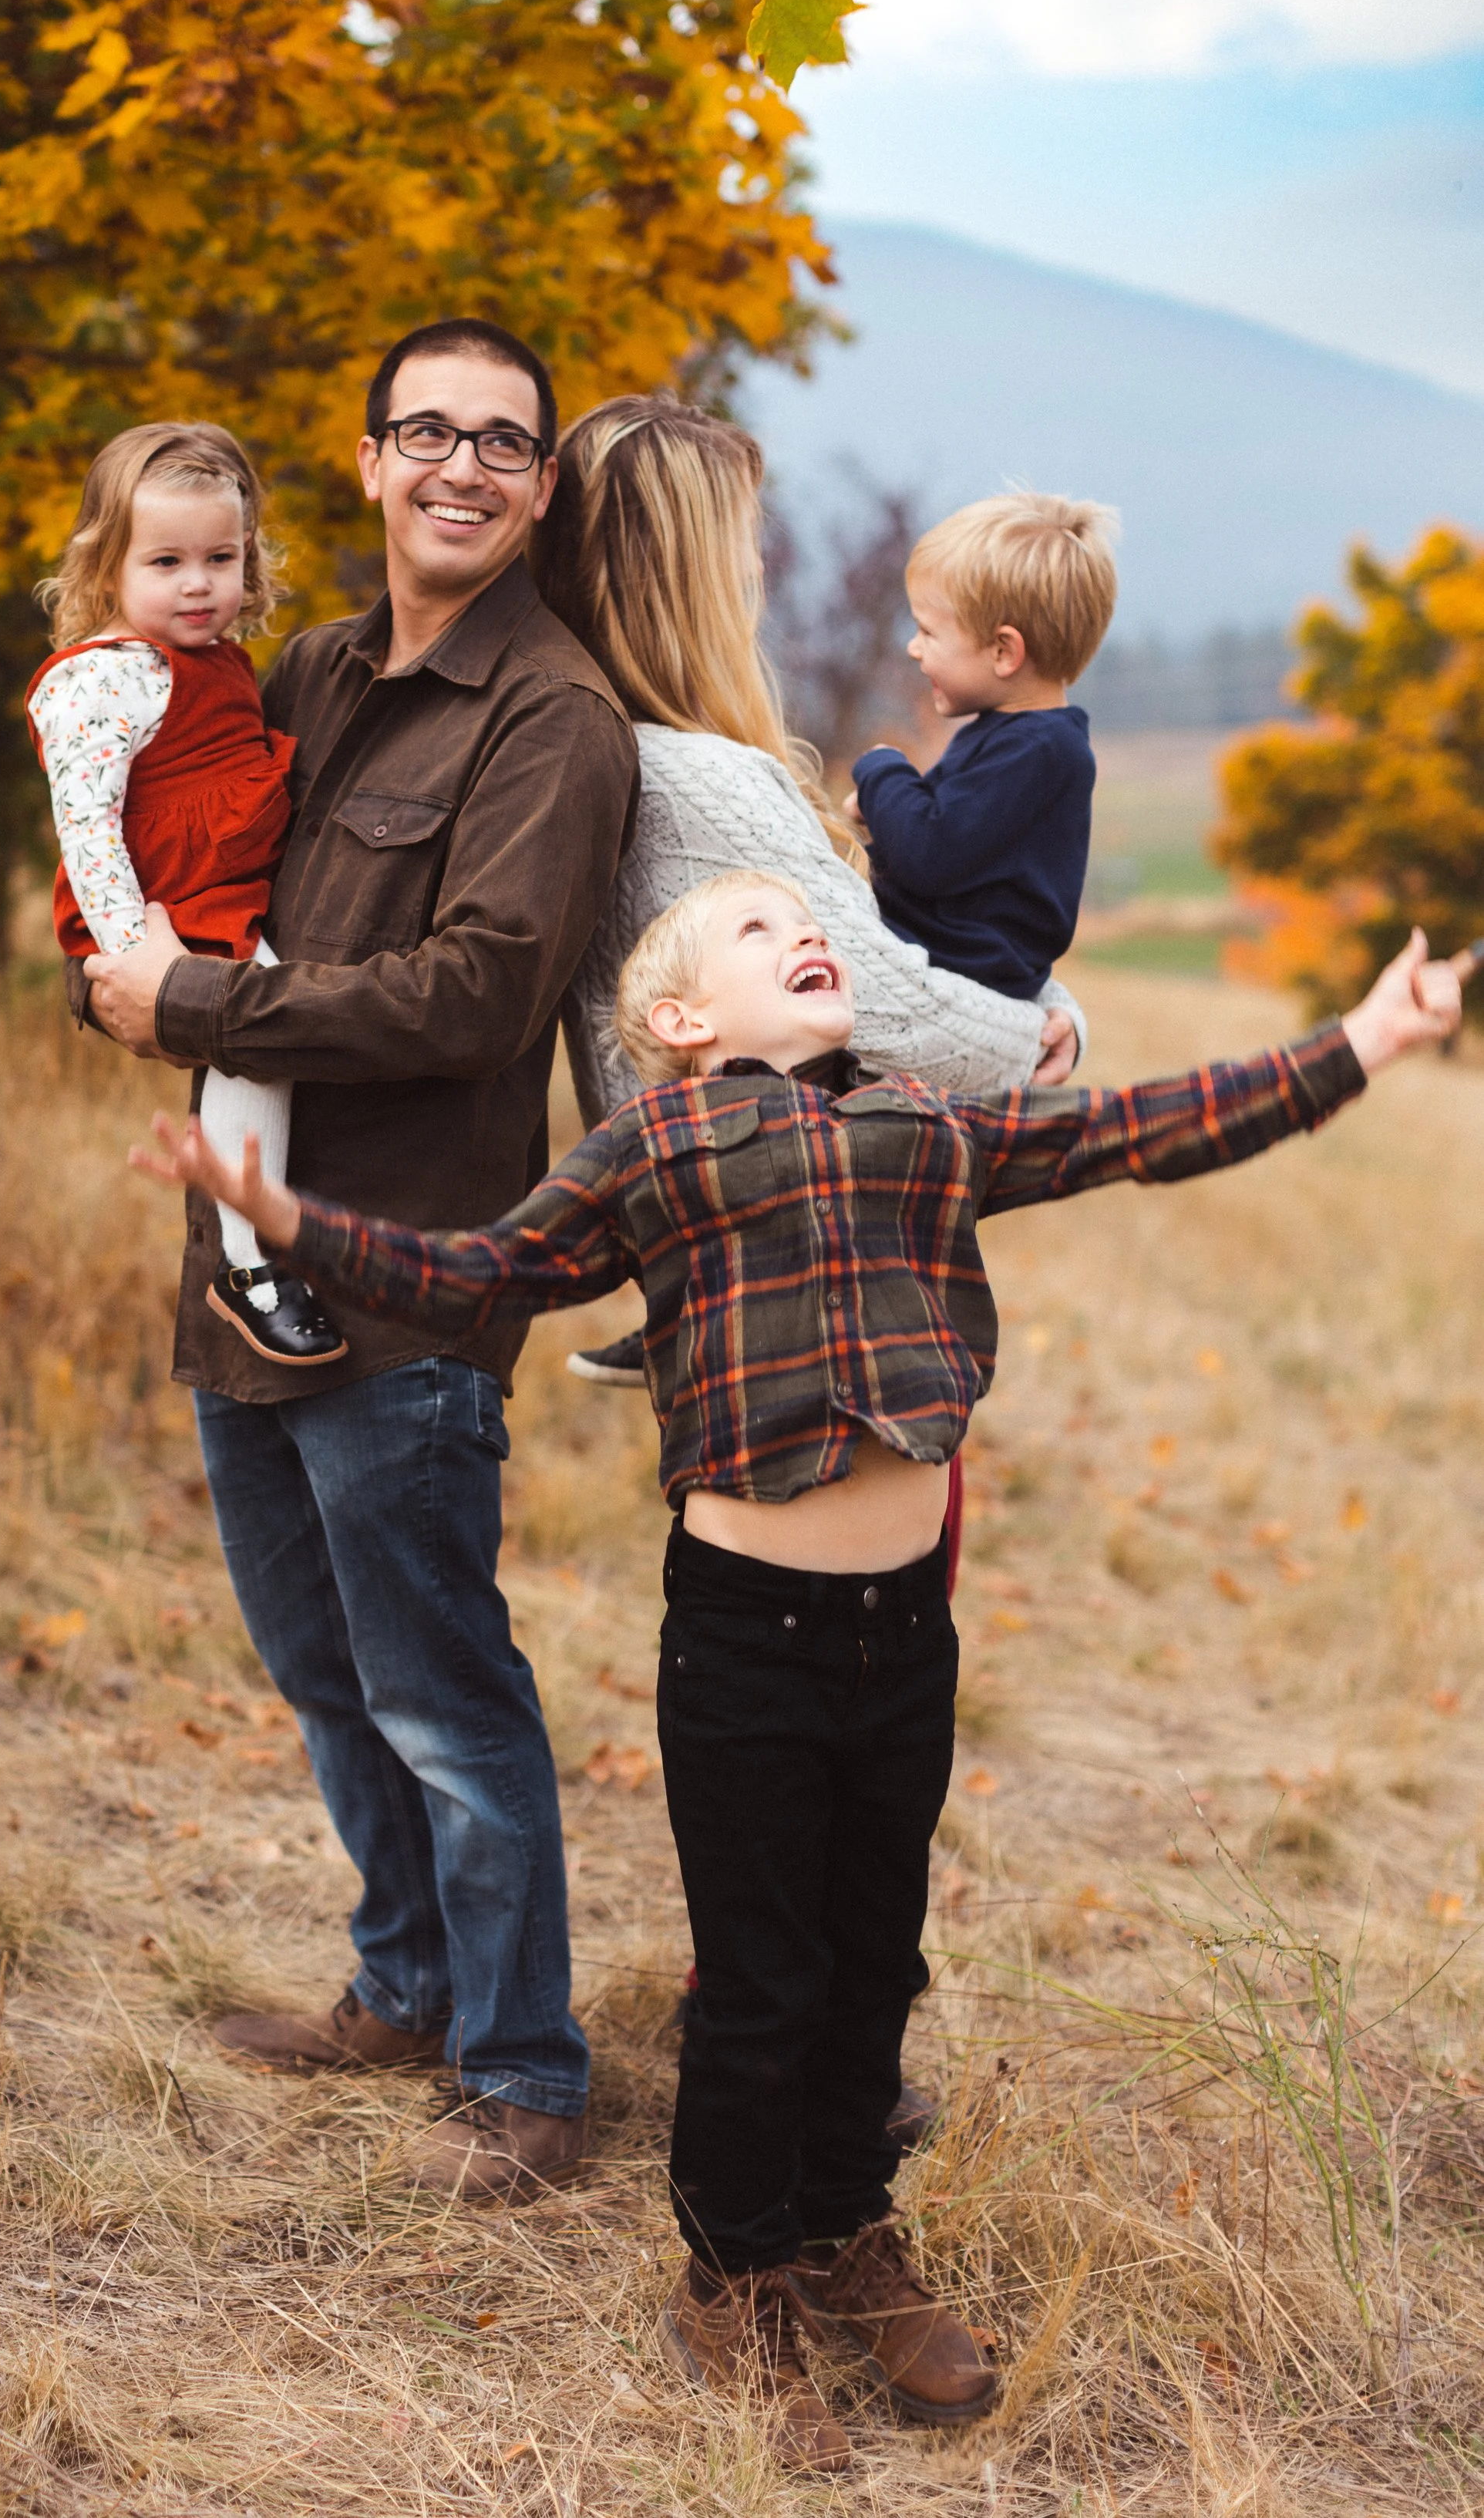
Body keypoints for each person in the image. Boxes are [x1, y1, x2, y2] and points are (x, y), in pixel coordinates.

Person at [131, 869, 1462, 2474]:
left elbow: (1151, 1125)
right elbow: (488, 1277)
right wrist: (290, 1223)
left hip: (901, 1635)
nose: (803, 935)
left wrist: (1364, 1039)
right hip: (744, 1643)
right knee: (758, 1983)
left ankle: (842, 2232)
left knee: (872, 1957)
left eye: (806, 924)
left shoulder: (928, 1123)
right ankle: (733, 2274)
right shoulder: (656, 1149)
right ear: (680, 1025)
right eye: (756, 933)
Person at [77, 319, 639, 2203]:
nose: (460, 465)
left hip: (405, 1285)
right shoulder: (298, 664)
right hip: (237, 1266)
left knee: (439, 1686)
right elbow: (179, 856)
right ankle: (402, 1985)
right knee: (321, 1666)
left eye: (502, 441)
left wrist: (205, 995)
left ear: (539, 484)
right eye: (428, 431)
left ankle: (524, 2064)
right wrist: (119, 953)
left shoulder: (548, 717)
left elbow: (479, 994)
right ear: (373, 456)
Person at [532, 395, 1087, 1394]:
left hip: (722, 1268)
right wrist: (1045, 1031)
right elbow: (904, 1015)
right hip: (817, 1282)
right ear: (689, 568)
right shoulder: (704, 778)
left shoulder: (597, 744)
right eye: (745, 539)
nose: (756, 569)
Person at [26, 421, 343, 1367]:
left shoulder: (218, 666)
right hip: (165, 907)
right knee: (258, 1038)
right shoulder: (102, 677)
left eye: (221, 557)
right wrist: (136, 959)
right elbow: (87, 826)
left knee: (264, 1035)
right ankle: (249, 1264)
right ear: (107, 569)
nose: (199, 583)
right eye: (166, 561)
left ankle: (258, 1248)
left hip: (217, 888)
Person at [847, 490, 1116, 1001]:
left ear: (1003, 651)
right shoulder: (1021, 739)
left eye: (928, 631)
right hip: (954, 946)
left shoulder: (1038, 750)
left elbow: (928, 852)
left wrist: (880, 771)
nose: (914, 647)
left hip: (961, 960)